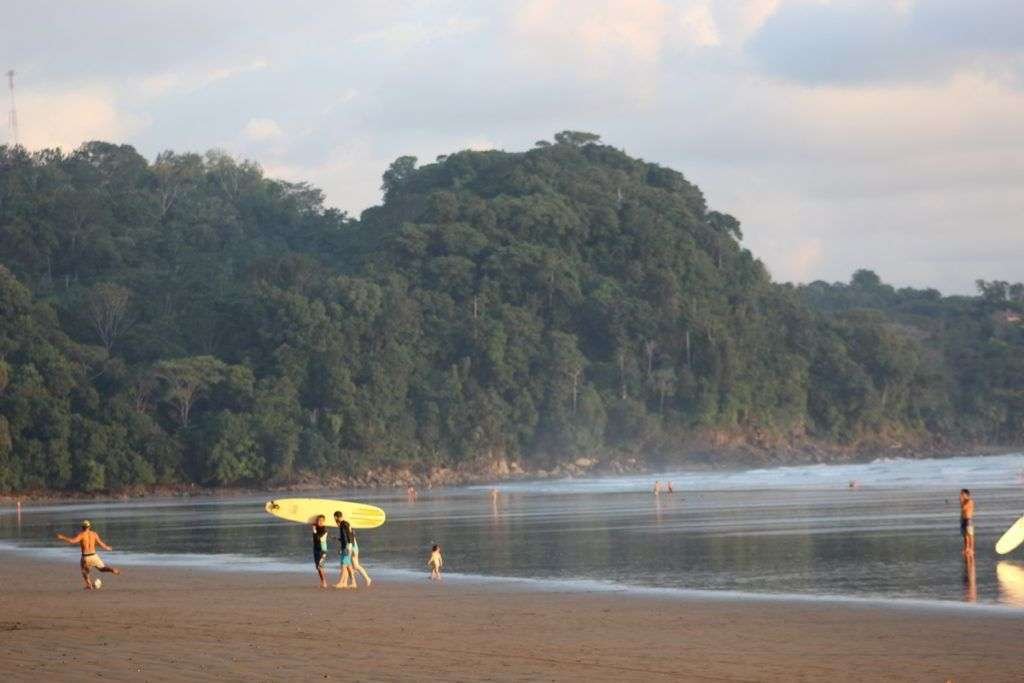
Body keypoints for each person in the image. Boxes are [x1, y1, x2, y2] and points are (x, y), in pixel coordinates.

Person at [56, 520, 121, 589]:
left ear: (83, 527)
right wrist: (107, 547)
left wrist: (63, 537)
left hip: (86, 557)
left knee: (84, 571)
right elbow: (100, 543)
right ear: (89, 526)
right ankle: (112, 570)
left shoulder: (82, 534)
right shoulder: (94, 534)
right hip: (94, 555)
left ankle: (89, 584)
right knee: (102, 568)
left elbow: (73, 541)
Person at [333, 510, 355, 589]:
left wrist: (346, 547)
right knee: (348, 566)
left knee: (343, 565)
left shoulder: (343, 524)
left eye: (334, 518)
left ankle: (341, 583)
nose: (335, 520)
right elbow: (349, 535)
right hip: (348, 545)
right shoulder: (346, 523)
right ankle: (353, 582)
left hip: (346, 546)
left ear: (336, 517)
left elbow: (347, 536)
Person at [312, 515, 329, 588]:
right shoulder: (316, 527)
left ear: (323, 521)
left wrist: (314, 530)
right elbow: (315, 539)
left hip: (322, 549)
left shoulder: (324, 529)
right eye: (318, 521)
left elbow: (318, 538)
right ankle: (323, 582)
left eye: (321, 521)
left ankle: (324, 582)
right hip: (316, 548)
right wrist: (314, 529)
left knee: (320, 566)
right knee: (317, 567)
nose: (319, 522)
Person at [959, 488, 975, 558]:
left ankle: (971, 549)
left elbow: (964, 508)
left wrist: (962, 501)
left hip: (968, 519)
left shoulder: (970, 501)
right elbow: (962, 510)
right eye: (961, 494)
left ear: (966, 494)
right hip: (963, 519)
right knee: (965, 536)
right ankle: (966, 548)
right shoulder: (963, 502)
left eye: (962, 494)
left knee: (970, 535)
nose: (961, 496)